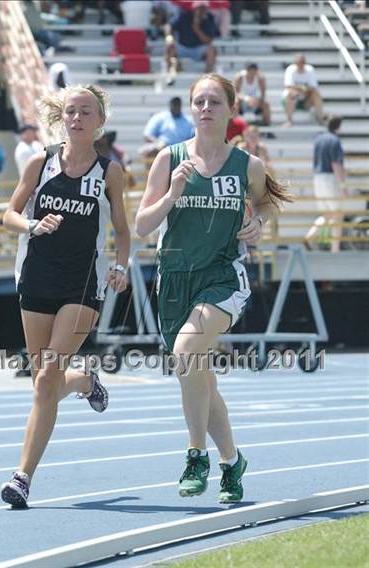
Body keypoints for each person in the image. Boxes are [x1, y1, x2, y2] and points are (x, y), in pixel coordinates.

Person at [135, 73, 292, 503]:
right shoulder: (169, 159)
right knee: (200, 377)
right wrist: (172, 194)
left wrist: (258, 221)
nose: (205, 108)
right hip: (174, 280)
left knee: (187, 353)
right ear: (191, 109)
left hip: (223, 276)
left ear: (231, 110)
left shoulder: (247, 165)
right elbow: (142, 225)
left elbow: (266, 200)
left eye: (214, 102)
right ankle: (231, 460)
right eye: (198, 102)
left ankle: (195, 456)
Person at [0, 84, 130, 508]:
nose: (76, 119)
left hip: (81, 284)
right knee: (46, 381)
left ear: (100, 122)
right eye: (70, 112)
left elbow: (123, 231)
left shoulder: (109, 172)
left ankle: (22, 477)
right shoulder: (41, 162)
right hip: (36, 276)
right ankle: (86, 380)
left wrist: (120, 267)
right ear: (62, 118)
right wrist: (33, 226)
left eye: (85, 112)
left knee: (45, 379)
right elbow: (9, 214)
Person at [305, 115, 348, 253]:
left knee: (327, 214)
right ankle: (335, 249)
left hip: (318, 177)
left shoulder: (319, 139)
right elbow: (336, 164)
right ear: (339, 127)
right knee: (337, 214)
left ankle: (310, 236)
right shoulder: (335, 140)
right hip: (330, 178)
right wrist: (343, 185)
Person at [165, 0, 218, 83]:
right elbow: (170, 26)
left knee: (211, 49)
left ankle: (208, 78)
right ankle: (170, 75)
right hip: (183, 47)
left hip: (199, 49)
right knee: (170, 46)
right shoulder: (184, 15)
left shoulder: (210, 18)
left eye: (204, 8)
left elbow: (208, 40)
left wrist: (197, 29)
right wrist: (169, 37)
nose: (202, 11)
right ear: (194, 9)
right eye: (200, 8)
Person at [282, 53, 324, 127]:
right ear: (295, 63)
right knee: (291, 94)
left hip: (306, 99)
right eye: (298, 63)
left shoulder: (310, 69)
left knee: (316, 94)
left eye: (302, 63)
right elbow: (288, 86)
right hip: (292, 98)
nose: (300, 65)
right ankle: (288, 120)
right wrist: (303, 88)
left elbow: (313, 87)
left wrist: (300, 88)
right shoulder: (290, 69)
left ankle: (320, 119)